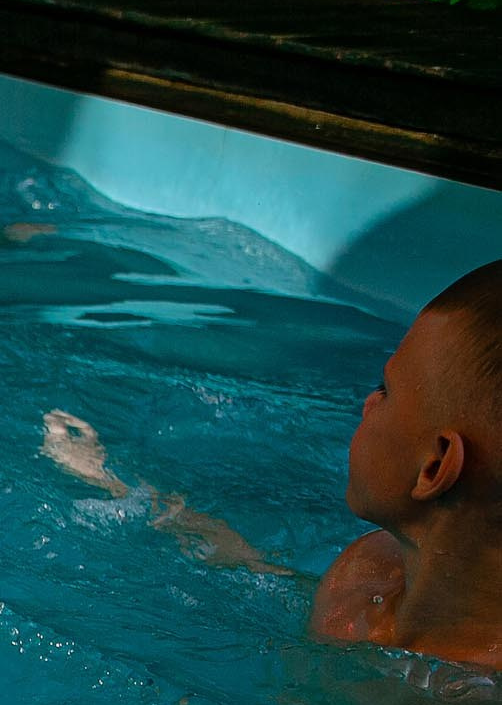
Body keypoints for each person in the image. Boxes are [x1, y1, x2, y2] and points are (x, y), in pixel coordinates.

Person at [45, 260, 502, 671]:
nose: (366, 403)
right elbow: (260, 579)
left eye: (385, 390)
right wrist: (117, 485)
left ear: (435, 465)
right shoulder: (369, 571)